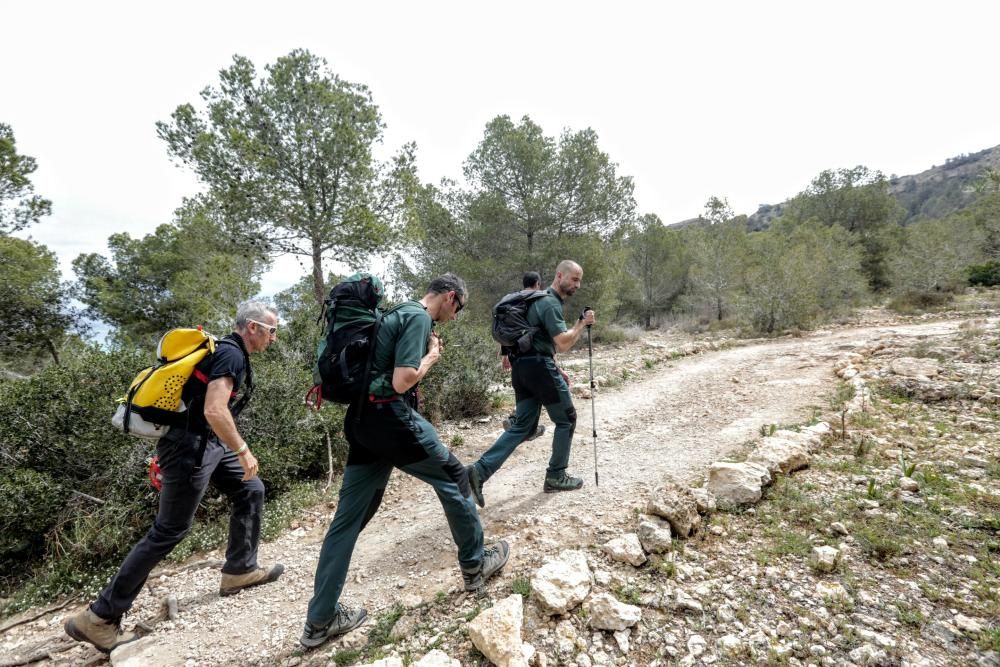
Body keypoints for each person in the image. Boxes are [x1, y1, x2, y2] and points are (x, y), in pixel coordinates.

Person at [300, 274, 509, 649]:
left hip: (362, 424)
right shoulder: (417, 317)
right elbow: (401, 381)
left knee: (347, 521)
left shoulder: (394, 314)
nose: (456, 316)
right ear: (449, 297)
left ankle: (319, 621)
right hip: (391, 420)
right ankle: (477, 565)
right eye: (458, 308)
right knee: (455, 478)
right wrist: (430, 357)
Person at [64, 302, 285, 653]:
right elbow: (215, 409)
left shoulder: (227, 352)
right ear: (253, 328)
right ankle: (99, 619)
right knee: (169, 530)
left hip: (203, 444)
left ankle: (239, 570)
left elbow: (202, 408)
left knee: (250, 488)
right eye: (272, 330)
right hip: (190, 449)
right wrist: (243, 450)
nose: (274, 337)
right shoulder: (231, 355)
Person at [468, 260, 595, 508]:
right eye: (574, 279)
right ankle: (556, 475)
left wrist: (555, 367)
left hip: (522, 369)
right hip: (539, 369)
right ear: (560, 276)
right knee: (567, 419)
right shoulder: (548, 302)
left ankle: (477, 472)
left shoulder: (534, 299)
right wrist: (581, 324)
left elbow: (535, 339)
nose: (577, 285)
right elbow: (563, 343)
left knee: (523, 427)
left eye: (579, 280)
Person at [500, 271, 546, 441]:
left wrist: (505, 355)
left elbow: (507, 329)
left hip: (515, 354)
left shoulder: (512, 300)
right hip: (534, 354)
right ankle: (525, 427)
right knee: (538, 391)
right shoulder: (538, 299)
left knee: (523, 391)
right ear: (538, 283)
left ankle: (520, 422)